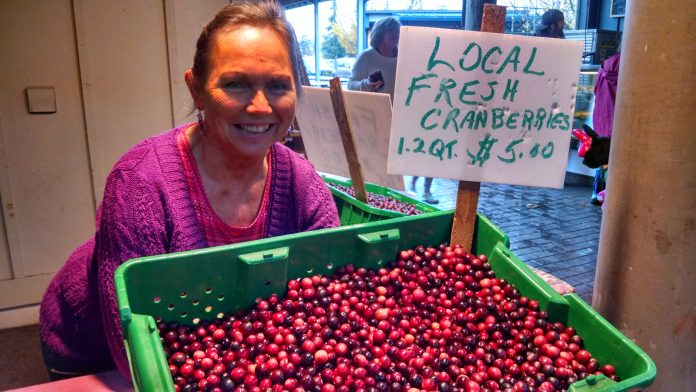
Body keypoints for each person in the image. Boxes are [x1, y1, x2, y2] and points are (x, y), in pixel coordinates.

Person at [38, 0, 339, 381]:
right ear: (196, 90)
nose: (261, 107)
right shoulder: (140, 182)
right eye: (236, 84)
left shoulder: (304, 184)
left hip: (224, 354)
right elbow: (132, 339)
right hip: (93, 350)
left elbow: (329, 303)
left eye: (278, 85)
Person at [348, 17, 438, 204]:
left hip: (401, 118)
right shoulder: (367, 57)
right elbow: (350, 84)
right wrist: (366, 84)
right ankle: (375, 196)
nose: (396, 35)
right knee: (377, 161)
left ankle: (394, 197)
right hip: (373, 118)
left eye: (398, 31)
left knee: (397, 161)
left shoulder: (405, 56)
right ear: (381, 33)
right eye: (392, 31)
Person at [589, 51, 621, 204]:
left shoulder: (604, 65)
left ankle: (597, 193)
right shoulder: (630, 63)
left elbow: (595, 89)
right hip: (617, 119)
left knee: (602, 156)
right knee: (614, 159)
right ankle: (607, 195)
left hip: (601, 118)